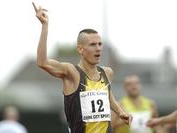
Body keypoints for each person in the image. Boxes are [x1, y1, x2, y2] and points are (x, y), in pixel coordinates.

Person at [32, 2, 132, 133]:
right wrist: (45, 26)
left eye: (100, 44)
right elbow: (42, 62)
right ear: (80, 48)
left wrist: (120, 112)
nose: (98, 49)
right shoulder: (71, 72)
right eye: (92, 45)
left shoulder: (107, 72)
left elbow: (107, 95)